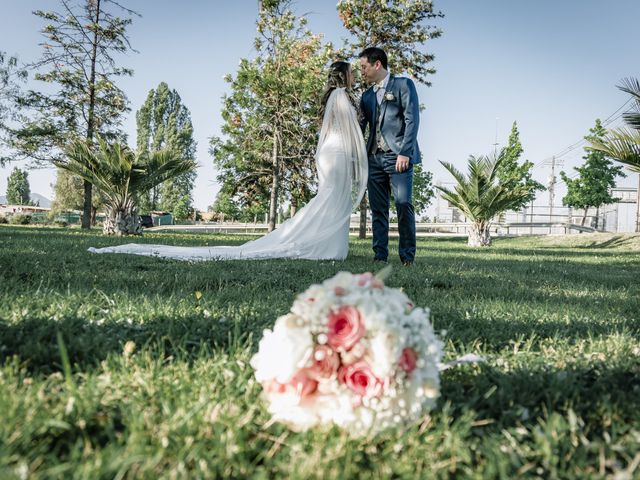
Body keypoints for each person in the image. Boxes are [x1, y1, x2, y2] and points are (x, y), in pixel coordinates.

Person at [88, 61, 367, 261]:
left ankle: (327, 244)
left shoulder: (332, 96)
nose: (355, 76)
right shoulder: (342, 96)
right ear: (344, 76)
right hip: (338, 152)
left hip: (332, 152)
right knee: (333, 198)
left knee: (332, 197)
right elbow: (349, 128)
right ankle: (325, 246)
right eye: (352, 73)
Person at [358, 47, 420, 266]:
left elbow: (412, 119)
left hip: (398, 158)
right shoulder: (366, 96)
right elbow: (359, 127)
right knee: (378, 209)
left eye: (364, 67)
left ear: (377, 64)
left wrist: (404, 151)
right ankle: (380, 256)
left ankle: (407, 257)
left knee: (403, 203)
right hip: (373, 159)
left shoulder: (403, 85)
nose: (362, 72)